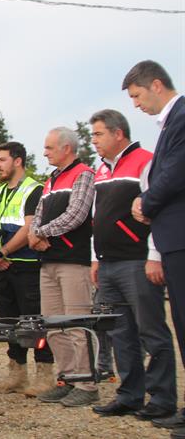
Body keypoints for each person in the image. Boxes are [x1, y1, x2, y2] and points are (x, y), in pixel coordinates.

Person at [87, 109, 176, 420]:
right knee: (120, 334)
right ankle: (129, 395)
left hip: (137, 261)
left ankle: (162, 399)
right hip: (108, 264)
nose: (94, 140)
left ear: (118, 133)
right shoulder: (101, 170)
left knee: (151, 331)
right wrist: (95, 258)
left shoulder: (146, 161)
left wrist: (155, 255)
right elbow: (97, 217)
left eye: (98, 134)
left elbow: (158, 210)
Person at [122, 61, 185, 435]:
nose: (136, 104)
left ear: (156, 85)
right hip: (172, 237)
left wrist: (147, 202)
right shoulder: (170, 123)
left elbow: (176, 171)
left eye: (137, 95)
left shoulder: (182, 117)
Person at [29, 127, 98, 407]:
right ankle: (67, 378)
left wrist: (41, 232)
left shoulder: (84, 174)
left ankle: (87, 383)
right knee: (54, 324)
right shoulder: (51, 181)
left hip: (73, 261)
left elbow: (77, 214)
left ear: (66, 148)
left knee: (77, 323)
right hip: (48, 262)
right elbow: (38, 214)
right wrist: (35, 233)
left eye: (49, 147)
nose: (45, 153)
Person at [0, 142, 54, 396]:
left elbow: (29, 228)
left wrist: (3, 252)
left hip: (26, 266)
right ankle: (17, 373)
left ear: (18, 161)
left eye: (2, 160)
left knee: (34, 320)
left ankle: (45, 374)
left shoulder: (34, 190)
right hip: (1, 268)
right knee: (9, 322)